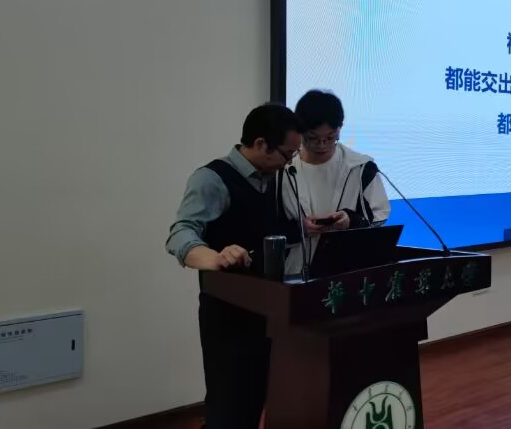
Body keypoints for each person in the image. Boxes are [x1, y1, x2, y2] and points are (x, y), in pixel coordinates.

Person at [166, 103, 301, 429]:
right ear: (260, 144)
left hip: (269, 308)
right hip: (228, 314)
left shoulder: (272, 179)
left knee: (256, 398)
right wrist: (213, 257)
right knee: (229, 403)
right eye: (287, 154)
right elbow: (180, 234)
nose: (289, 162)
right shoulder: (212, 179)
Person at [281, 90, 390, 275]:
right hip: (292, 272)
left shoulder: (360, 168)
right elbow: (266, 224)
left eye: (330, 138)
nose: (322, 145)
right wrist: (298, 229)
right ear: (299, 131)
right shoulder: (282, 167)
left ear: (340, 128)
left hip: (345, 272)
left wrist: (351, 221)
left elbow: (379, 215)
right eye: (312, 138)